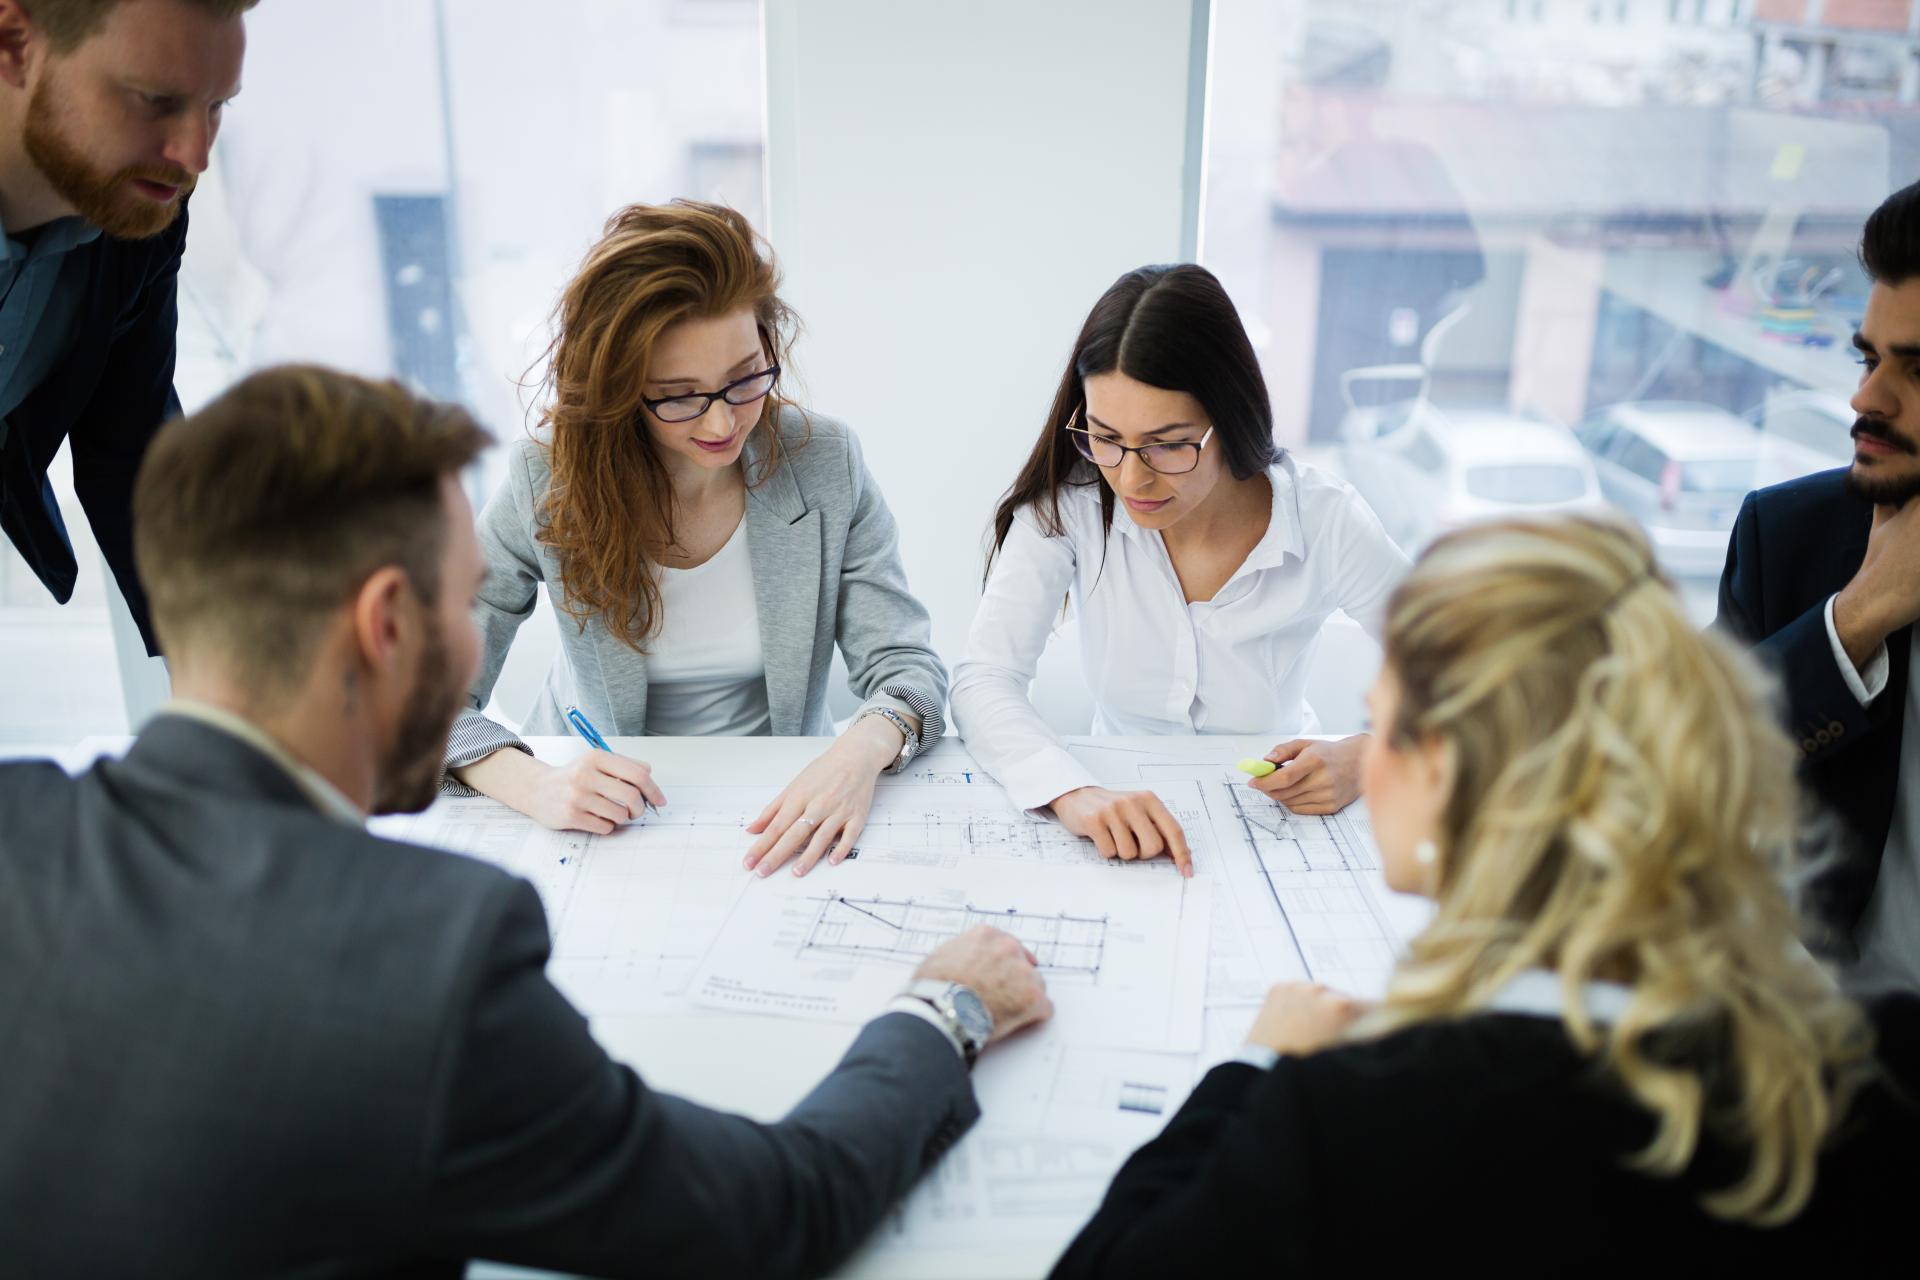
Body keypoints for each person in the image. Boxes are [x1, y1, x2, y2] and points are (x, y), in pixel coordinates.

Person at [0, 365, 1053, 1278]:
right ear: (385, 625)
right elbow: (764, 1218)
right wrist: (941, 1010)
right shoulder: (433, 960)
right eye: (466, 606)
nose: (477, 646)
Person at [1052, 516, 1918, 1276]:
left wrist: (1253, 1068)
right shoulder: (1884, 1067)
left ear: (1445, 772)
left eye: (1378, 722)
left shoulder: (1345, 1127)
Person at [446, 200, 946, 880]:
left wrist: (858, 753)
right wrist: (535, 783)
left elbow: (908, 672)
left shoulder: (826, 462)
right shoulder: (548, 479)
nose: (722, 421)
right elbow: (425, 700)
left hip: (778, 800)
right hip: (600, 809)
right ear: (620, 387)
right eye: (678, 395)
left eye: (745, 378)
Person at [949, 263, 1408, 872]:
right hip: (1116, 804)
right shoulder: (1070, 509)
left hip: (1289, 817)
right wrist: (1072, 793)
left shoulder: (1326, 520)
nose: (1131, 478)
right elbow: (984, 680)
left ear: (1231, 417)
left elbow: (1481, 678)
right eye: (1105, 436)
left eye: (1168, 443)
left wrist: (1369, 755)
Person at [1716, 180, 1920, 994]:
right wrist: (1856, 618)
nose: (1865, 399)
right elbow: (1677, 787)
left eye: (1919, 368)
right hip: (1824, 1059)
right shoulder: (1792, 539)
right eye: (1869, 358)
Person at [0, 0, 250, 654]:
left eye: (217, 105)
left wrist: (245, 654)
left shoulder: (139, 199)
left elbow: (131, 440)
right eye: (155, 99)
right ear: (12, 44)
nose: (194, 155)